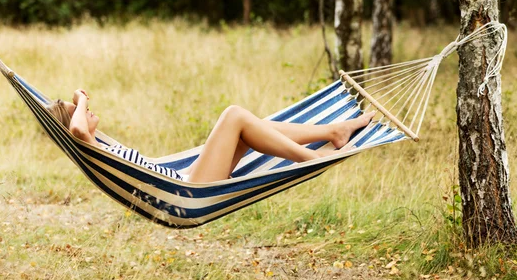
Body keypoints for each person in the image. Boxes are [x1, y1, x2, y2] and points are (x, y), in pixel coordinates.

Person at [47, 89, 375, 184]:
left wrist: (79, 107)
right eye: (82, 111)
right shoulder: (88, 145)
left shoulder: (101, 144)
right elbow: (76, 128)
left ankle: (334, 130)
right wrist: (81, 98)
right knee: (234, 115)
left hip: (187, 179)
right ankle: (312, 157)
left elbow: (79, 125)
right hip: (186, 190)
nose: (88, 112)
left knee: (248, 128)